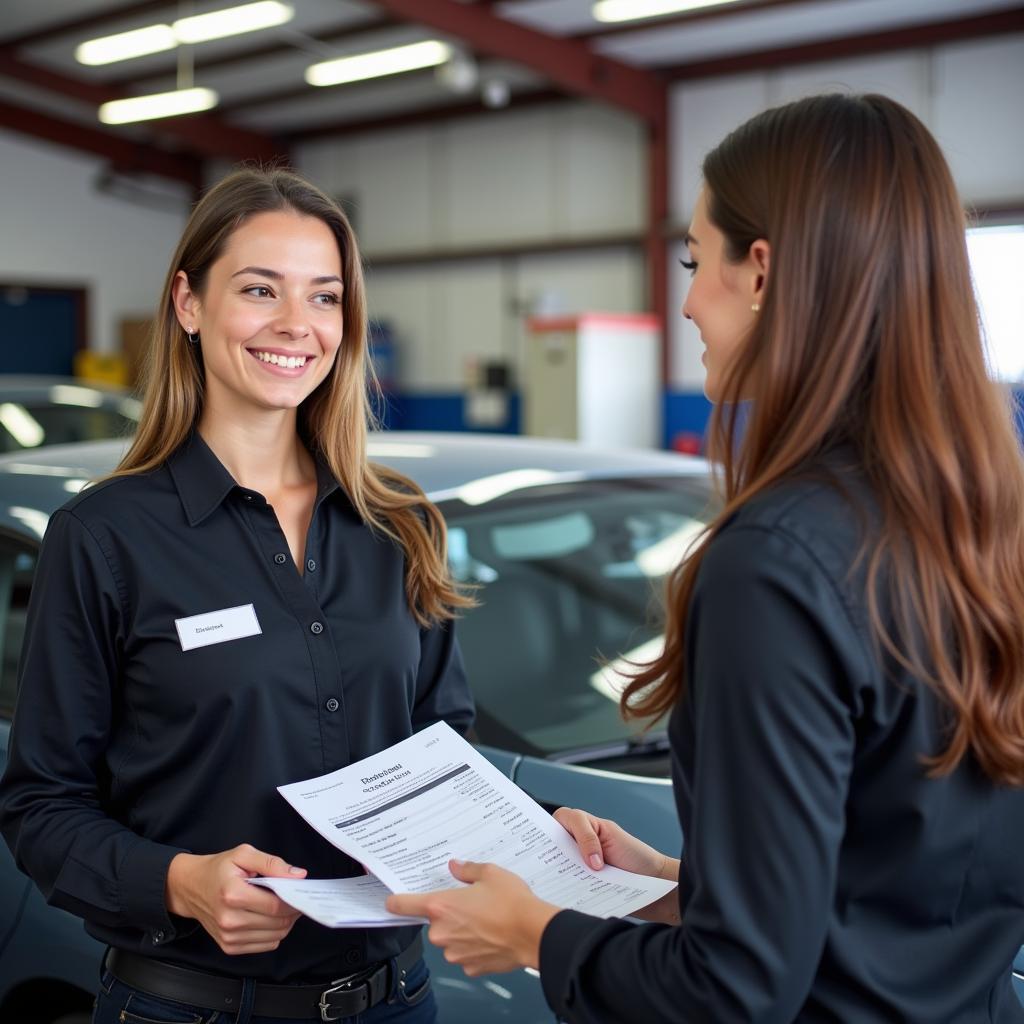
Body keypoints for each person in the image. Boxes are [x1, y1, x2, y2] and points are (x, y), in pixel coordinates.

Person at [386, 93, 1024, 1022]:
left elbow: (736, 990)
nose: (685, 301)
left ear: (760, 270)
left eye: (693, 260)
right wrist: (677, 882)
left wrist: (535, 931)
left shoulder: (775, 560)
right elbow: (900, 883)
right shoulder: (980, 523)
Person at [0, 167, 473, 1024]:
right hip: (192, 1006)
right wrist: (177, 882)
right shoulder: (106, 538)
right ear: (188, 302)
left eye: (324, 298)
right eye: (261, 290)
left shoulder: (400, 524)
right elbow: (40, 806)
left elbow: (445, 754)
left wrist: (555, 831)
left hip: (393, 1001)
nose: (297, 325)